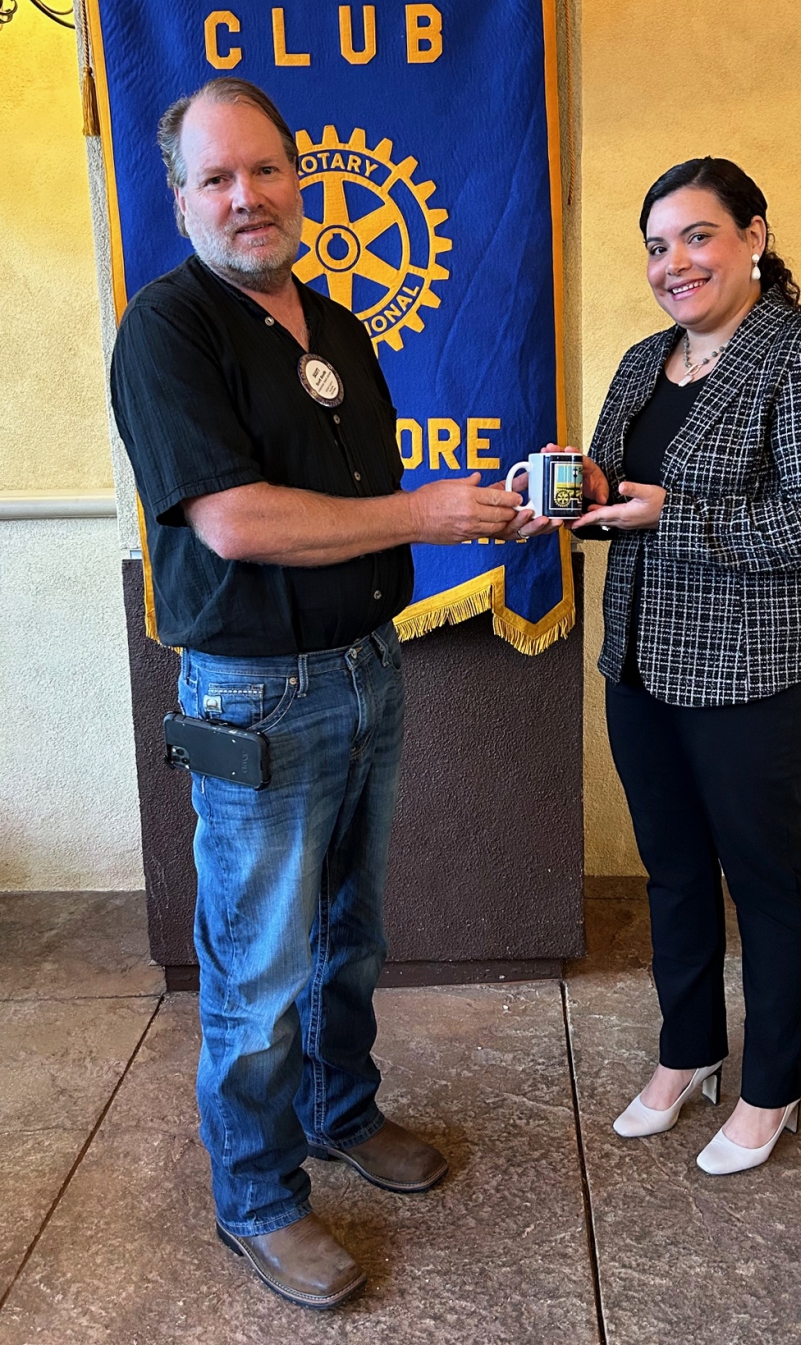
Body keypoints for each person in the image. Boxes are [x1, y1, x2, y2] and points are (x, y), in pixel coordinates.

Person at [110, 77, 529, 1309]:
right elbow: (235, 523)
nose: (247, 198)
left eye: (267, 171)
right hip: (253, 696)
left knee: (352, 934)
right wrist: (422, 514)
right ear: (179, 197)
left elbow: (345, 515)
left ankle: (343, 1111)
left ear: (302, 178)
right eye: (217, 178)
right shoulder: (169, 329)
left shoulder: (336, 325)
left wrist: (474, 511)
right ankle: (257, 1196)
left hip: (365, 668)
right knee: (257, 969)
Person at [528, 156, 801, 1175]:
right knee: (672, 871)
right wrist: (567, 486)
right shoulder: (644, 362)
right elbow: (612, 487)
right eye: (654, 245)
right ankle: (687, 1051)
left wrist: (672, 512)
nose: (672, 263)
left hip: (748, 673)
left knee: (762, 878)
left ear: (753, 234)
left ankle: (771, 1082)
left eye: (695, 236)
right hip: (637, 658)